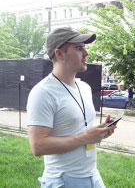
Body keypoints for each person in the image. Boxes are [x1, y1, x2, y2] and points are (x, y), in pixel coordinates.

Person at [27, 27, 116, 188]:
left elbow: (80, 129)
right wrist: (87, 137)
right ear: (59, 53)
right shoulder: (43, 92)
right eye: (78, 48)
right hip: (63, 180)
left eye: (84, 47)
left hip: (92, 175)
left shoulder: (85, 88)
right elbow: (37, 146)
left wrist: (99, 132)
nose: (86, 53)